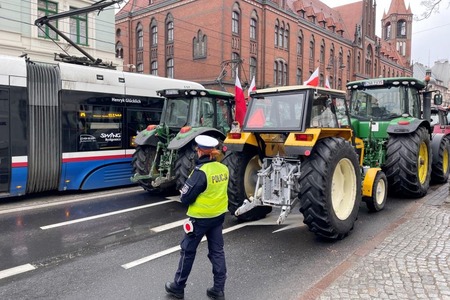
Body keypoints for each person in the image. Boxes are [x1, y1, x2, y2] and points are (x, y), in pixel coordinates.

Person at [165, 135, 229, 300]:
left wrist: (184, 193)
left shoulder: (200, 172)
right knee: (217, 252)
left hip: (199, 219)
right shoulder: (223, 169)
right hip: (218, 218)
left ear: (200, 152)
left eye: (197, 150)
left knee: (188, 252)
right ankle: (218, 289)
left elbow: (186, 198)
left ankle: (178, 287)